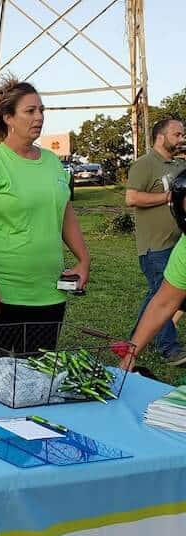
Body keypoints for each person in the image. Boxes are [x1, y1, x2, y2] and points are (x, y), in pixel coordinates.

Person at [0, 78, 91, 353]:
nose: (39, 117)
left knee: (39, 378)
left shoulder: (53, 163)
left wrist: (83, 260)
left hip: (50, 293)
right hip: (3, 295)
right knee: (1, 380)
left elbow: (65, 212)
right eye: (30, 111)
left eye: (42, 110)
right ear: (8, 118)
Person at [125, 117, 186, 365]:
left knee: (157, 295)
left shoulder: (176, 165)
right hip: (155, 246)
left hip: (176, 243)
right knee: (165, 297)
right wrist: (169, 196)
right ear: (161, 136)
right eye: (177, 134)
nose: (182, 138)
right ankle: (169, 348)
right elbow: (131, 198)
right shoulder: (144, 164)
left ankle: (134, 343)